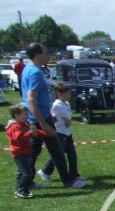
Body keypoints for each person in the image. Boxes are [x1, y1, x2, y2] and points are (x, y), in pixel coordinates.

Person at [20, 43, 86, 189]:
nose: (48, 55)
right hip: (40, 118)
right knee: (57, 151)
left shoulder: (29, 69)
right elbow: (31, 99)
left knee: (33, 153)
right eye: (45, 52)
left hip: (34, 118)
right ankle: (68, 181)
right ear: (37, 55)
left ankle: (27, 182)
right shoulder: (35, 72)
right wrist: (44, 124)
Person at [39, 84, 81, 183]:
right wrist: (65, 121)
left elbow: (67, 119)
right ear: (59, 93)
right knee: (58, 155)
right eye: (67, 93)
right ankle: (45, 171)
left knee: (72, 155)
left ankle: (74, 174)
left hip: (68, 133)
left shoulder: (66, 103)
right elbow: (63, 121)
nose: (69, 95)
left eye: (69, 92)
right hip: (60, 133)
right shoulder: (57, 105)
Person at [6, 104, 46, 198]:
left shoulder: (24, 124)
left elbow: (32, 132)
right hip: (19, 153)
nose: (27, 116)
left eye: (27, 113)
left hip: (25, 152)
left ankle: (19, 190)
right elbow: (17, 139)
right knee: (27, 172)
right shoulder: (14, 127)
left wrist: (42, 133)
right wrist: (29, 133)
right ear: (17, 115)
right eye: (25, 114)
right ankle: (22, 190)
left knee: (22, 172)